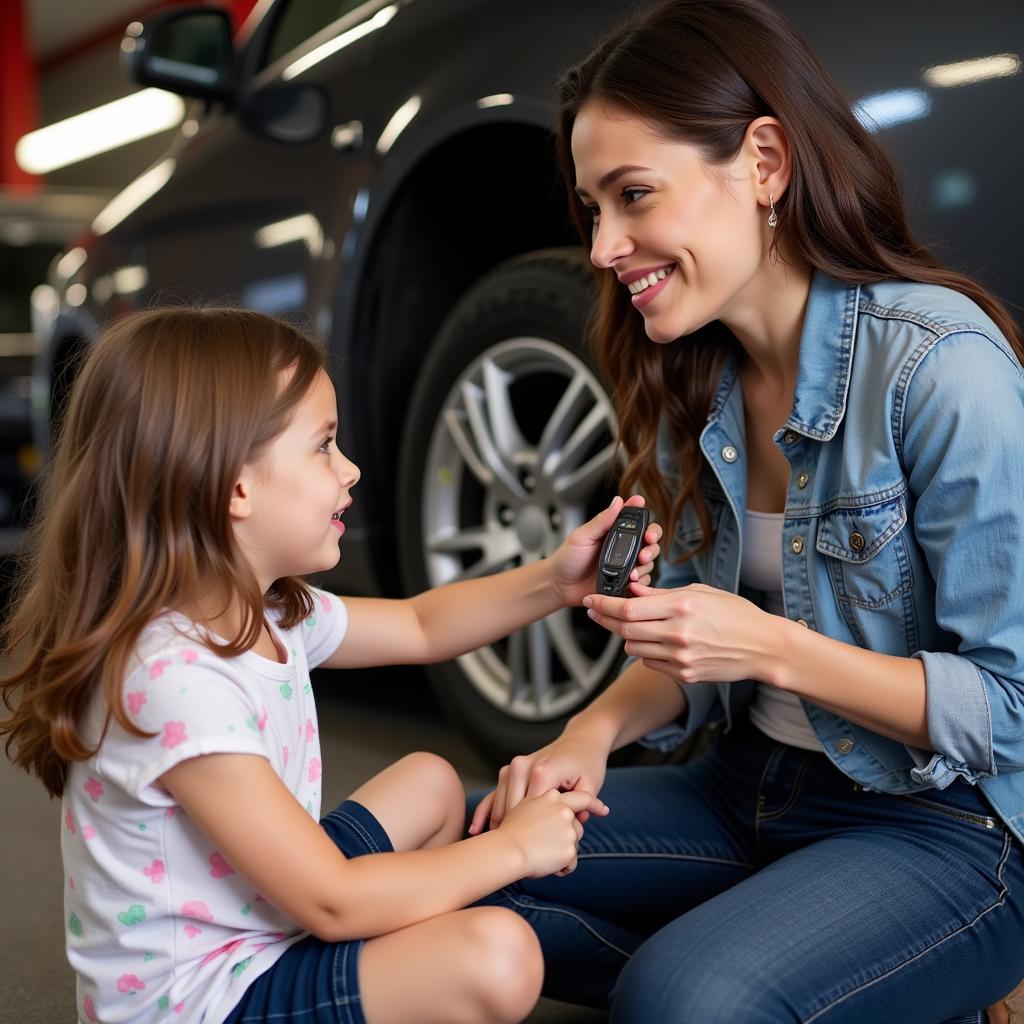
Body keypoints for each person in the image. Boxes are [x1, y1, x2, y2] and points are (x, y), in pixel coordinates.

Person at [464, 0, 1024, 1020]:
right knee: (450, 872)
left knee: (683, 999)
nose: (602, 246)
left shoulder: (939, 367)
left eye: (632, 195)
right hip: (741, 786)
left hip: (940, 825)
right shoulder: (695, 376)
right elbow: (687, 643)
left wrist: (769, 647)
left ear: (764, 161)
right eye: (592, 209)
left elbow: (1012, 706)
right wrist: (584, 736)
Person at [0, 305, 664, 1024]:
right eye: (323, 446)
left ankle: (396, 979)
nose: (349, 470)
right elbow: (331, 900)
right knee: (499, 954)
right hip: (208, 1001)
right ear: (234, 486)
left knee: (432, 784)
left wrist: (554, 582)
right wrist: (514, 849)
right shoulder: (171, 680)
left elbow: (419, 624)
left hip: (264, 923)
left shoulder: (267, 609)